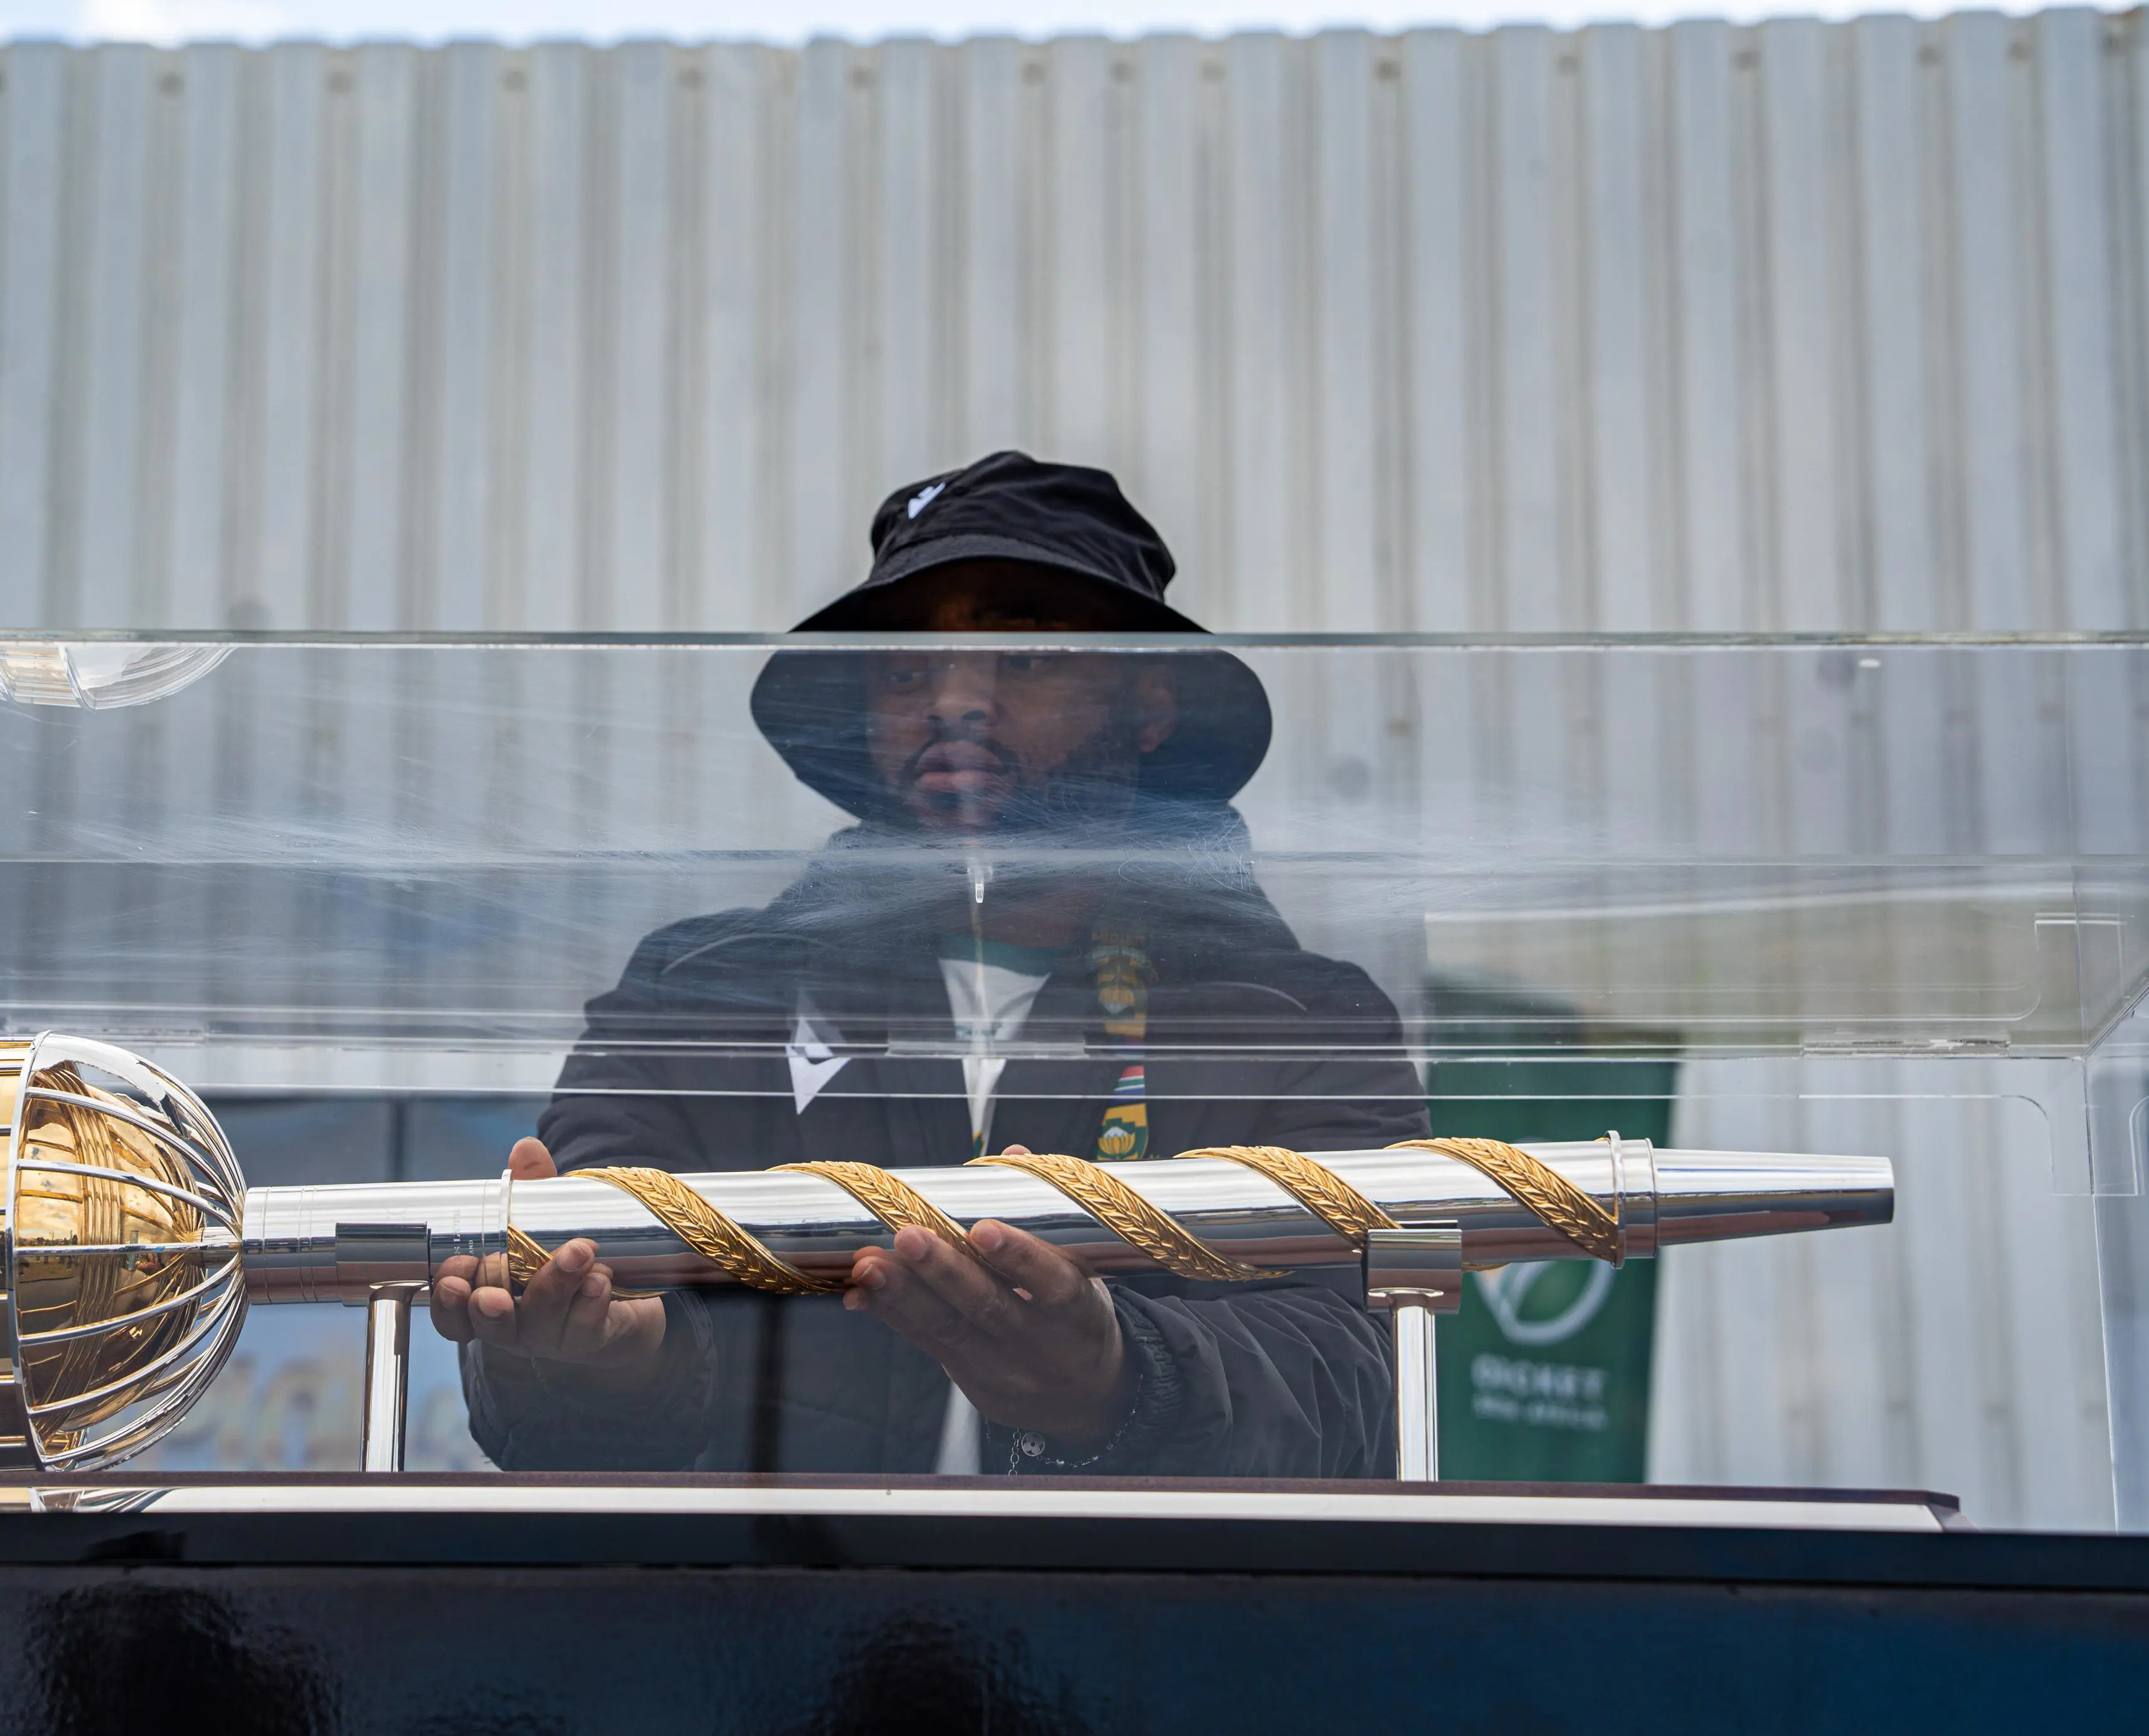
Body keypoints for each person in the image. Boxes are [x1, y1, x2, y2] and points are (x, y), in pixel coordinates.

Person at [429, 452, 1428, 1477]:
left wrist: (1120, 1376)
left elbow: (1352, 1387)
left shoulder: (1301, 1022)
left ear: (1150, 703)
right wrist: (603, 1351)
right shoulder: (700, 994)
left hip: (1143, 1625)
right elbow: (568, 1352)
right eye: (907, 668)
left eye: (1025, 657)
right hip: (776, 1621)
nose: (955, 700)